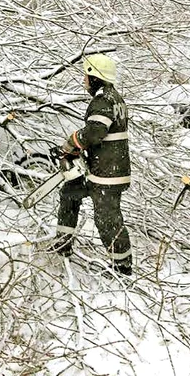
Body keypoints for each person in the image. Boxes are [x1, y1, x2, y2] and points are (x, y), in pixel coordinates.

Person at [51, 53, 133, 275]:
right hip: (99, 169)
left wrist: (71, 143)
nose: (83, 81)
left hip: (107, 173)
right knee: (70, 194)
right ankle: (62, 244)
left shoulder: (103, 100)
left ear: (94, 76)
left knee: (107, 220)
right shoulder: (113, 98)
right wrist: (78, 148)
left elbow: (95, 132)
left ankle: (122, 267)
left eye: (85, 76)